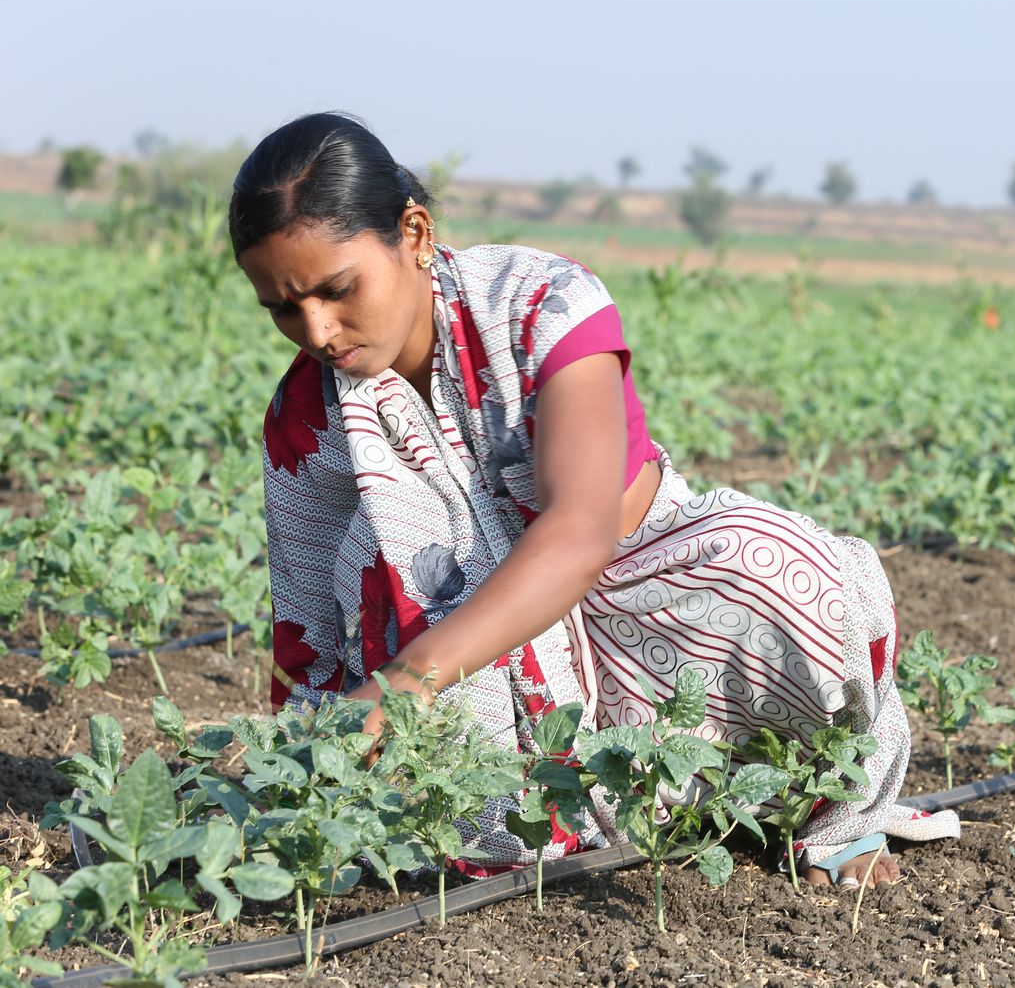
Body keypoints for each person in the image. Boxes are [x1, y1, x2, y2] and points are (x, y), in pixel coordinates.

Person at [230, 112, 957, 890]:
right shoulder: (309, 418)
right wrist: (300, 774)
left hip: (657, 628)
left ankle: (821, 807)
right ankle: (591, 810)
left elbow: (579, 533)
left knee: (784, 570)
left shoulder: (540, 303)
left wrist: (405, 681)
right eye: (283, 306)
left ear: (413, 232)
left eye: (338, 290)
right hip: (477, 663)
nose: (317, 329)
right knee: (393, 591)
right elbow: (306, 633)